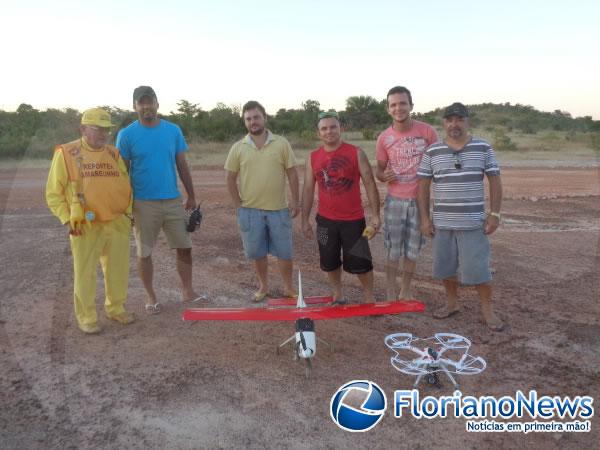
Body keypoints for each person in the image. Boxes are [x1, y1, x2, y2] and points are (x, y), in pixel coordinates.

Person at [417, 102, 504, 331]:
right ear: (444, 123)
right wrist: (425, 219)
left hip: (474, 224)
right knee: (446, 269)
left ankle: (488, 312)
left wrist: (494, 214)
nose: (454, 124)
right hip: (442, 224)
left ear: (467, 121)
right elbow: (423, 186)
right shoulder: (432, 151)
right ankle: (452, 304)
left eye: (459, 120)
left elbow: (495, 180)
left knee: (479, 271)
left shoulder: (483, 148)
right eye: (449, 120)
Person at [46, 108, 133, 334]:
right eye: (97, 129)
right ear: (83, 128)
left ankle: (116, 308)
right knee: (85, 272)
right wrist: (67, 220)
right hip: (84, 225)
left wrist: (128, 214)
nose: (103, 134)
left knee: (118, 270)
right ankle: (86, 317)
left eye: (106, 130)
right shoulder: (66, 153)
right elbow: (53, 194)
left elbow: (126, 186)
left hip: (116, 221)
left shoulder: (114, 154)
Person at [116, 86, 201, 314]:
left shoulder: (173, 131)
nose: (146, 106)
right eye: (141, 103)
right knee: (144, 252)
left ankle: (187, 291)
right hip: (143, 203)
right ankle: (150, 296)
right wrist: (126, 206)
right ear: (135, 106)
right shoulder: (126, 135)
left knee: (184, 247)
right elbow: (122, 173)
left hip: (173, 200)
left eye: (150, 101)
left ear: (157, 103)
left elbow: (181, 164)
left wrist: (191, 195)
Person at [302, 111, 381, 303]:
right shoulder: (313, 157)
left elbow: (370, 183)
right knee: (329, 260)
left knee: (361, 261)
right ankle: (337, 294)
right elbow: (307, 189)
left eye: (333, 127)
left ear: (341, 129)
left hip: (353, 221)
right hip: (325, 222)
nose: (329, 131)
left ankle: (369, 296)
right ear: (318, 132)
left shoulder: (356, 152)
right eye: (324, 128)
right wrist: (304, 220)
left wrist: (376, 215)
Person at [225, 101, 300, 302]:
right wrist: (238, 205)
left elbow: (292, 174)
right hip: (250, 211)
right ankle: (263, 287)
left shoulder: (281, 143)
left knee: (284, 252)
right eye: (248, 119)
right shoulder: (238, 148)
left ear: (264, 117)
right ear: (244, 122)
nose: (253, 122)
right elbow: (230, 178)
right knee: (257, 252)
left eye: (256, 117)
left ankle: (288, 288)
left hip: (279, 209)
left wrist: (296, 201)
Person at [375, 86, 438, 300]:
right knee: (393, 250)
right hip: (394, 202)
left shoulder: (428, 133)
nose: (398, 108)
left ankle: (406, 289)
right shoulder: (384, 138)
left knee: (412, 250)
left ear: (411, 105)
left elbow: (436, 165)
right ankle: (391, 290)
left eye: (402, 103)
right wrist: (385, 176)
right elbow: (379, 170)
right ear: (388, 109)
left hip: (419, 201)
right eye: (393, 104)